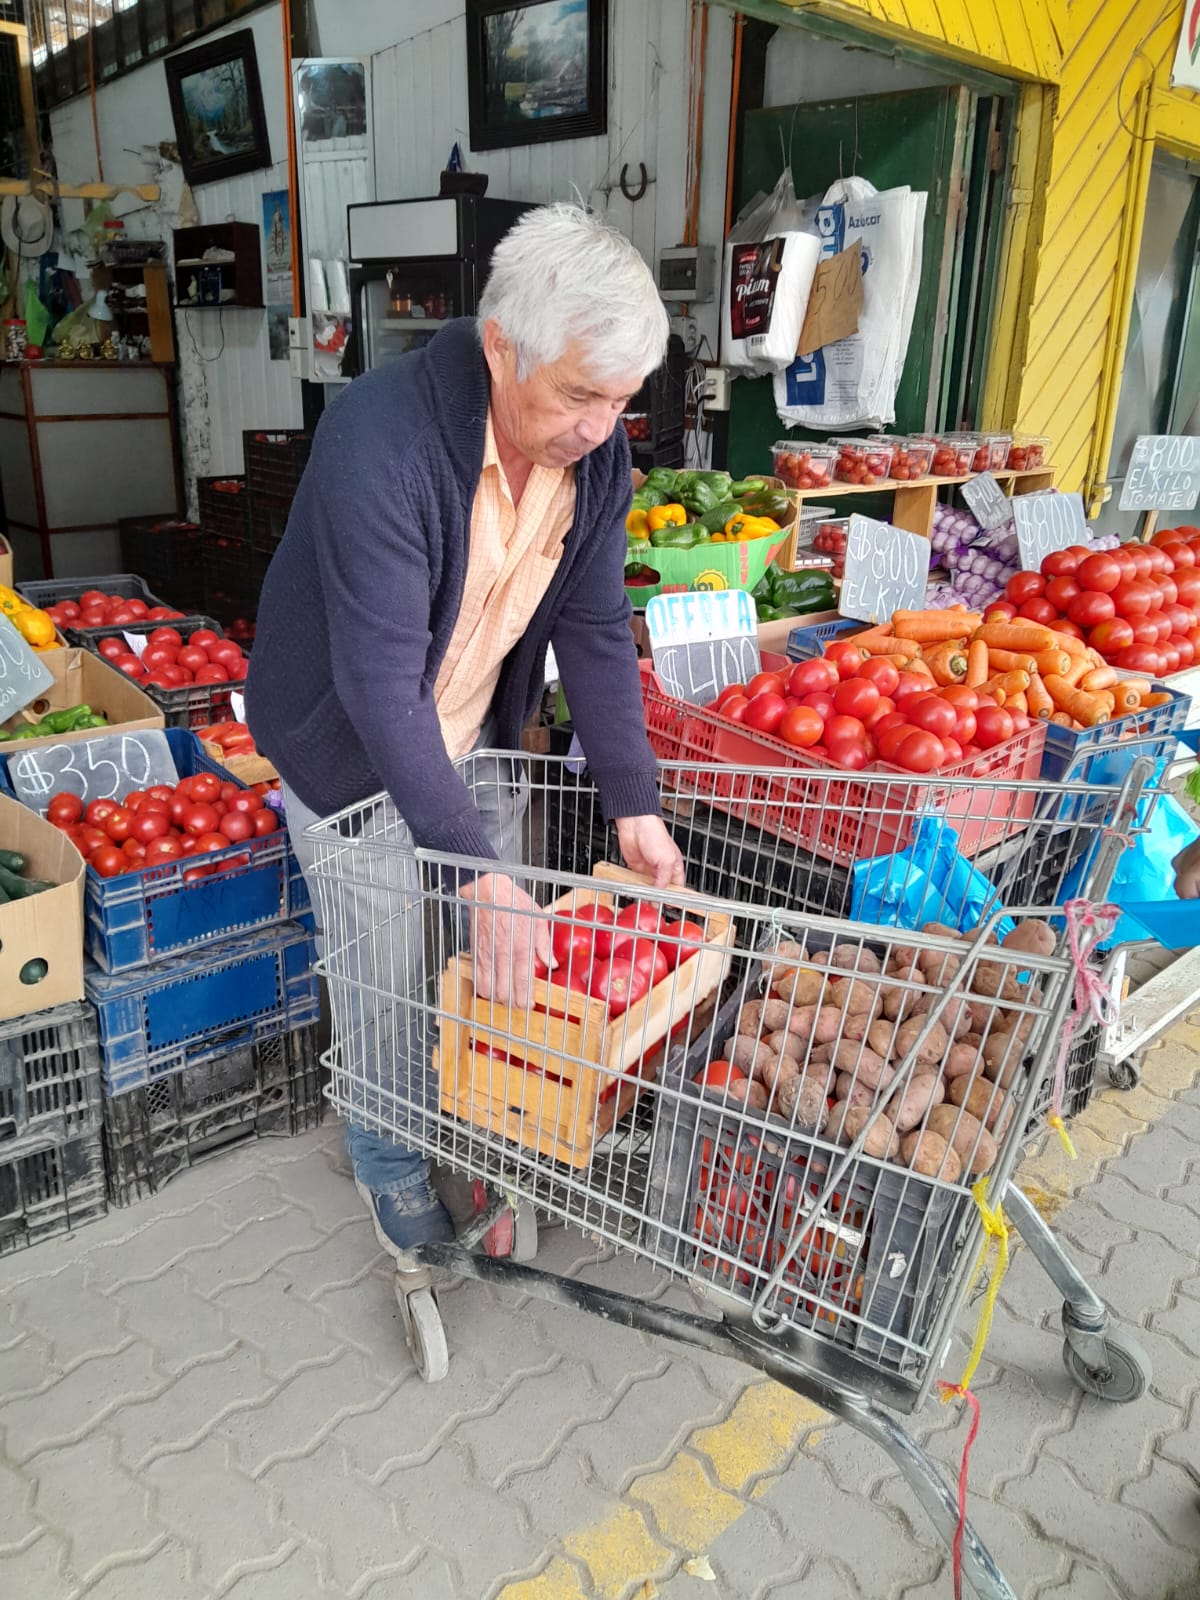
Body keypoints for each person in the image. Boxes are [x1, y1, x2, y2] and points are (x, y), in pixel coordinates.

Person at [246, 203, 685, 1258]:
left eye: (622, 402)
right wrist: (478, 872)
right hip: (351, 745)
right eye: (581, 394)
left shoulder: (596, 458)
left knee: (493, 951)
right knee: (389, 967)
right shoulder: (381, 441)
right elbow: (379, 683)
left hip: (472, 731)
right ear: (501, 346)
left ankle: (468, 1124)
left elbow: (588, 623)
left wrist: (633, 798)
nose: (600, 427)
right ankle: (389, 1156)